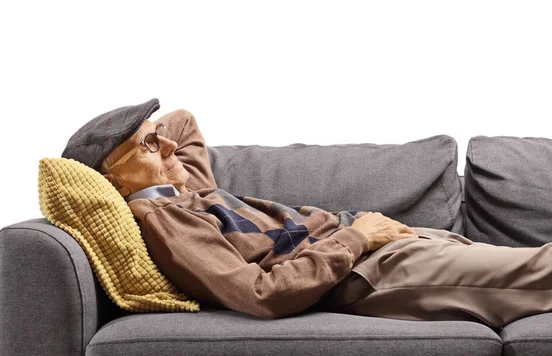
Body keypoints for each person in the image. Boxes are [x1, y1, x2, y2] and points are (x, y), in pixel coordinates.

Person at [62, 98, 552, 328]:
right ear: (113, 182)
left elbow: (183, 120)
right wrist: (358, 237)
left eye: (157, 134)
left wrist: (146, 143)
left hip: (387, 246)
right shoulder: (167, 221)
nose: (167, 143)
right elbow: (261, 294)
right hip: (367, 270)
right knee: (541, 272)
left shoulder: (186, 193)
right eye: (149, 144)